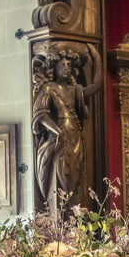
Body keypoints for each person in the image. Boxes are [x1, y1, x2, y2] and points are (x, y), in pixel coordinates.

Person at [32, 46, 101, 209]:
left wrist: (97, 59)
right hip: (59, 139)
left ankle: (72, 215)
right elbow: (41, 114)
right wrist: (58, 132)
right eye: (62, 65)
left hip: (75, 138)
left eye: (69, 65)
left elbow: (96, 85)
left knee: (75, 176)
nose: (66, 68)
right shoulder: (48, 88)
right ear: (54, 67)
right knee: (60, 174)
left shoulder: (75, 89)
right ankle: (58, 214)